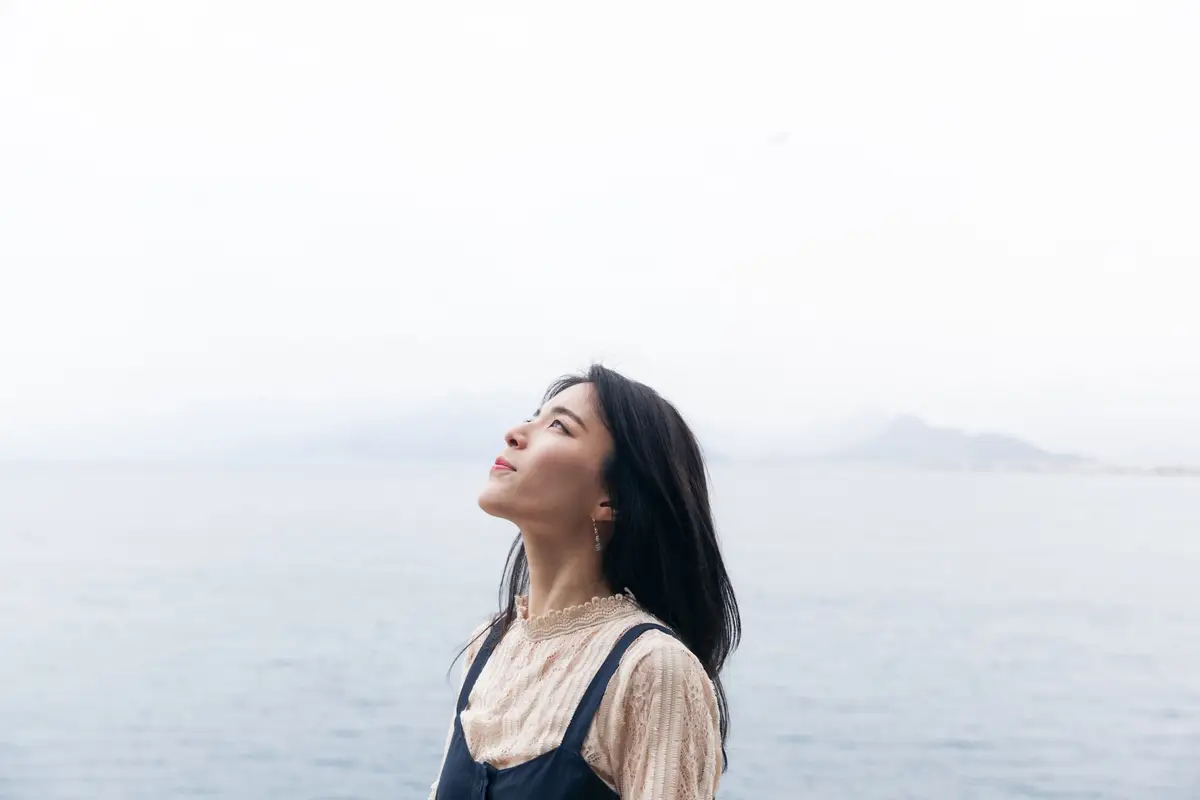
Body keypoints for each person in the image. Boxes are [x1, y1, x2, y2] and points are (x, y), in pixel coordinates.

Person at [429, 364, 740, 800]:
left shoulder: (650, 668)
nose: (515, 433)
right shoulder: (490, 645)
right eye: (533, 416)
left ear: (609, 498)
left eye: (558, 426)